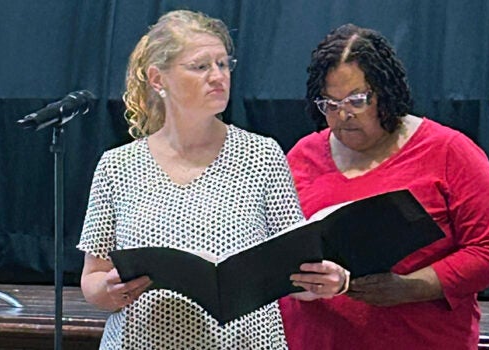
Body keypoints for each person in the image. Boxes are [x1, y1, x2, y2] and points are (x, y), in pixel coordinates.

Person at [76, 10, 347, 349]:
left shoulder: (261, 155)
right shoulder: (118, 166)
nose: (218, 77)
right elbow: (93, 277)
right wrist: (109, 290)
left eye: (223, 64)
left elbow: (295, 268)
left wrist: (325, 280)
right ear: (158, 79)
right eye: (201, 66)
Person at [280, 23, 489, 349]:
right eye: (330, 104)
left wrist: (413, 287)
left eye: (357, 100)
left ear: (387, 94)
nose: (343, 115)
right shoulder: (302, 155)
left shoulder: (449, 152)